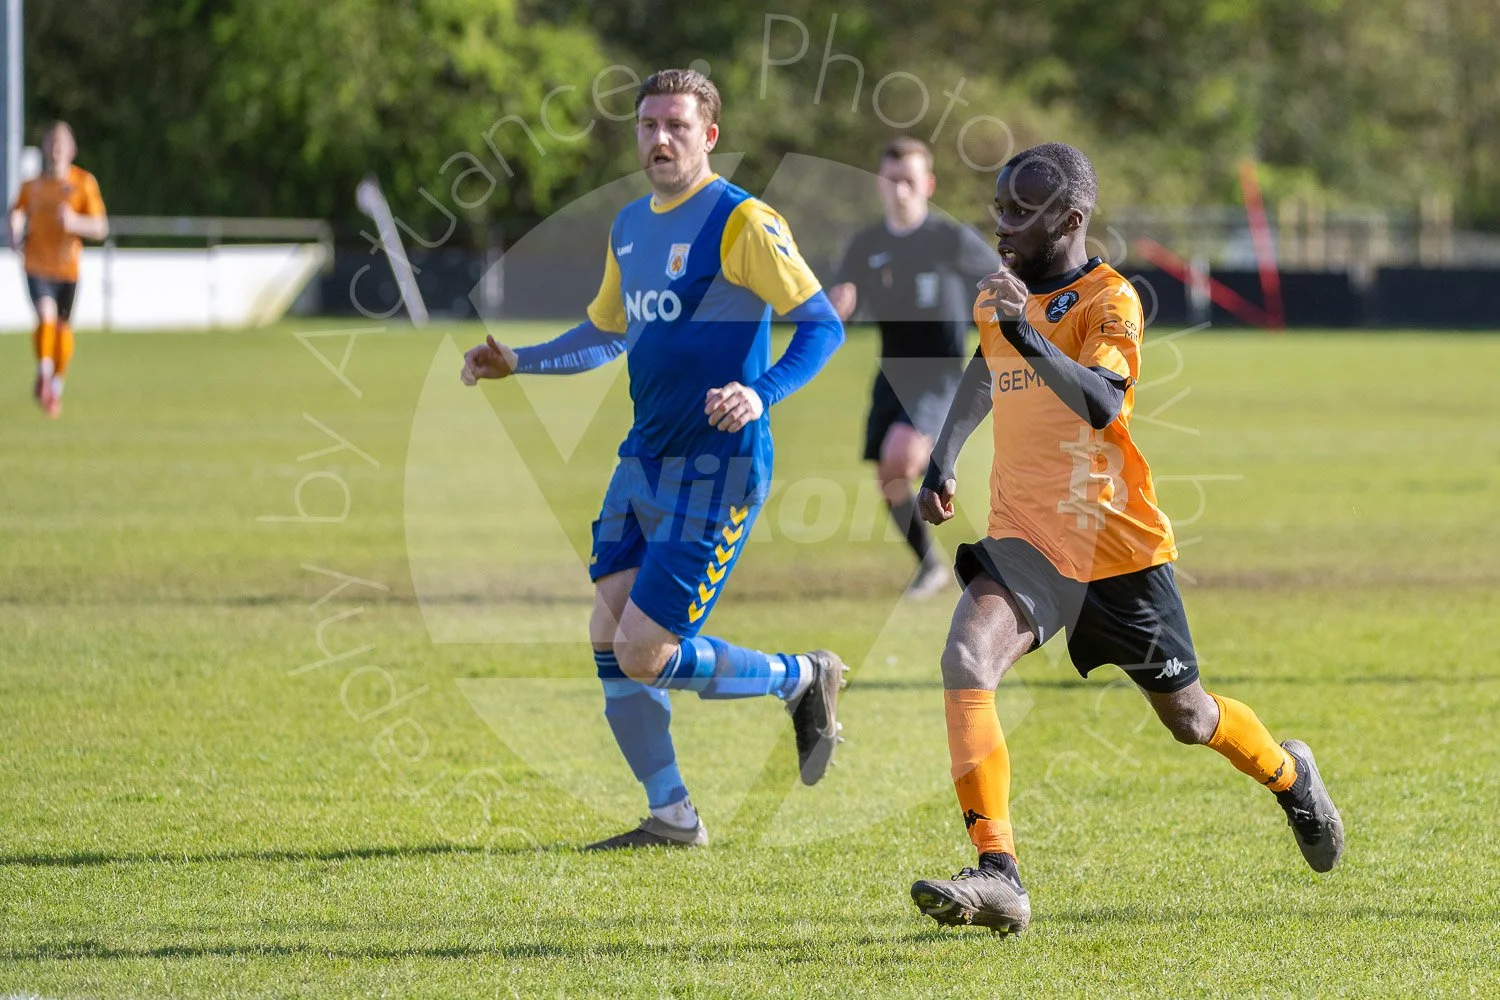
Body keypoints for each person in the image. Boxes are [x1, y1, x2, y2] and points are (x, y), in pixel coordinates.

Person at [907, 143, 1344, 934]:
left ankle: (1290, 776)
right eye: (997, 205)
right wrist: (944, 453)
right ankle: (999, 872)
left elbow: (1102, 402)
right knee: (965, 656)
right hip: (1028, 538)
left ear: (1070, 220)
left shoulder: (1112, 301)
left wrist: (1027, 331)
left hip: (1117, 548)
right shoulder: (1002, 299)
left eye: (1018, 211)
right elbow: (987, 362)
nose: (998, 223)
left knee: (1189, 717)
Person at [460, 68, 848, 850]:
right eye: (647, 125)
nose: (660, 138)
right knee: (609, 636)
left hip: (720, 465)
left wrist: (759, 392)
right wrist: (522, 362)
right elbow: (608, 331)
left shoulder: (741, 221)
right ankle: (671, 815)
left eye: (676, 125)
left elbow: (820, 326)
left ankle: (800, 678)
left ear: (709, 135)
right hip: (643, 459)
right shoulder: (631, 226)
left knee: (644, 650)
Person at [826, 138, 997, 599]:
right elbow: (843, 295)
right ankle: (929, 566)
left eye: (909, 181)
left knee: (900, 457)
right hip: (892, 372)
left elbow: (1001, 279)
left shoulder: (947, 238)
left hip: (941, 373)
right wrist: (837, 305)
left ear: (928, 185)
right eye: (892, 180)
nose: (900, 190)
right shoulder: (868, 244)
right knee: (888, 478)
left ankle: (943, 470)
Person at [6, 121, 109, 417]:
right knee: (46, 316)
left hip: (68, 268)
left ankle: (54, 383)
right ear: (44, 147)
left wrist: (75, 222)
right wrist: (14, 229)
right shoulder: (32, 186)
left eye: (61, 143)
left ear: (72, 149)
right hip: (37, 264)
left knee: (63, 331)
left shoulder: (83, 183)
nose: (56, 149)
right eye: (51, 142)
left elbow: (101, 227)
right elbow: (15, 214)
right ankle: (45, 372)